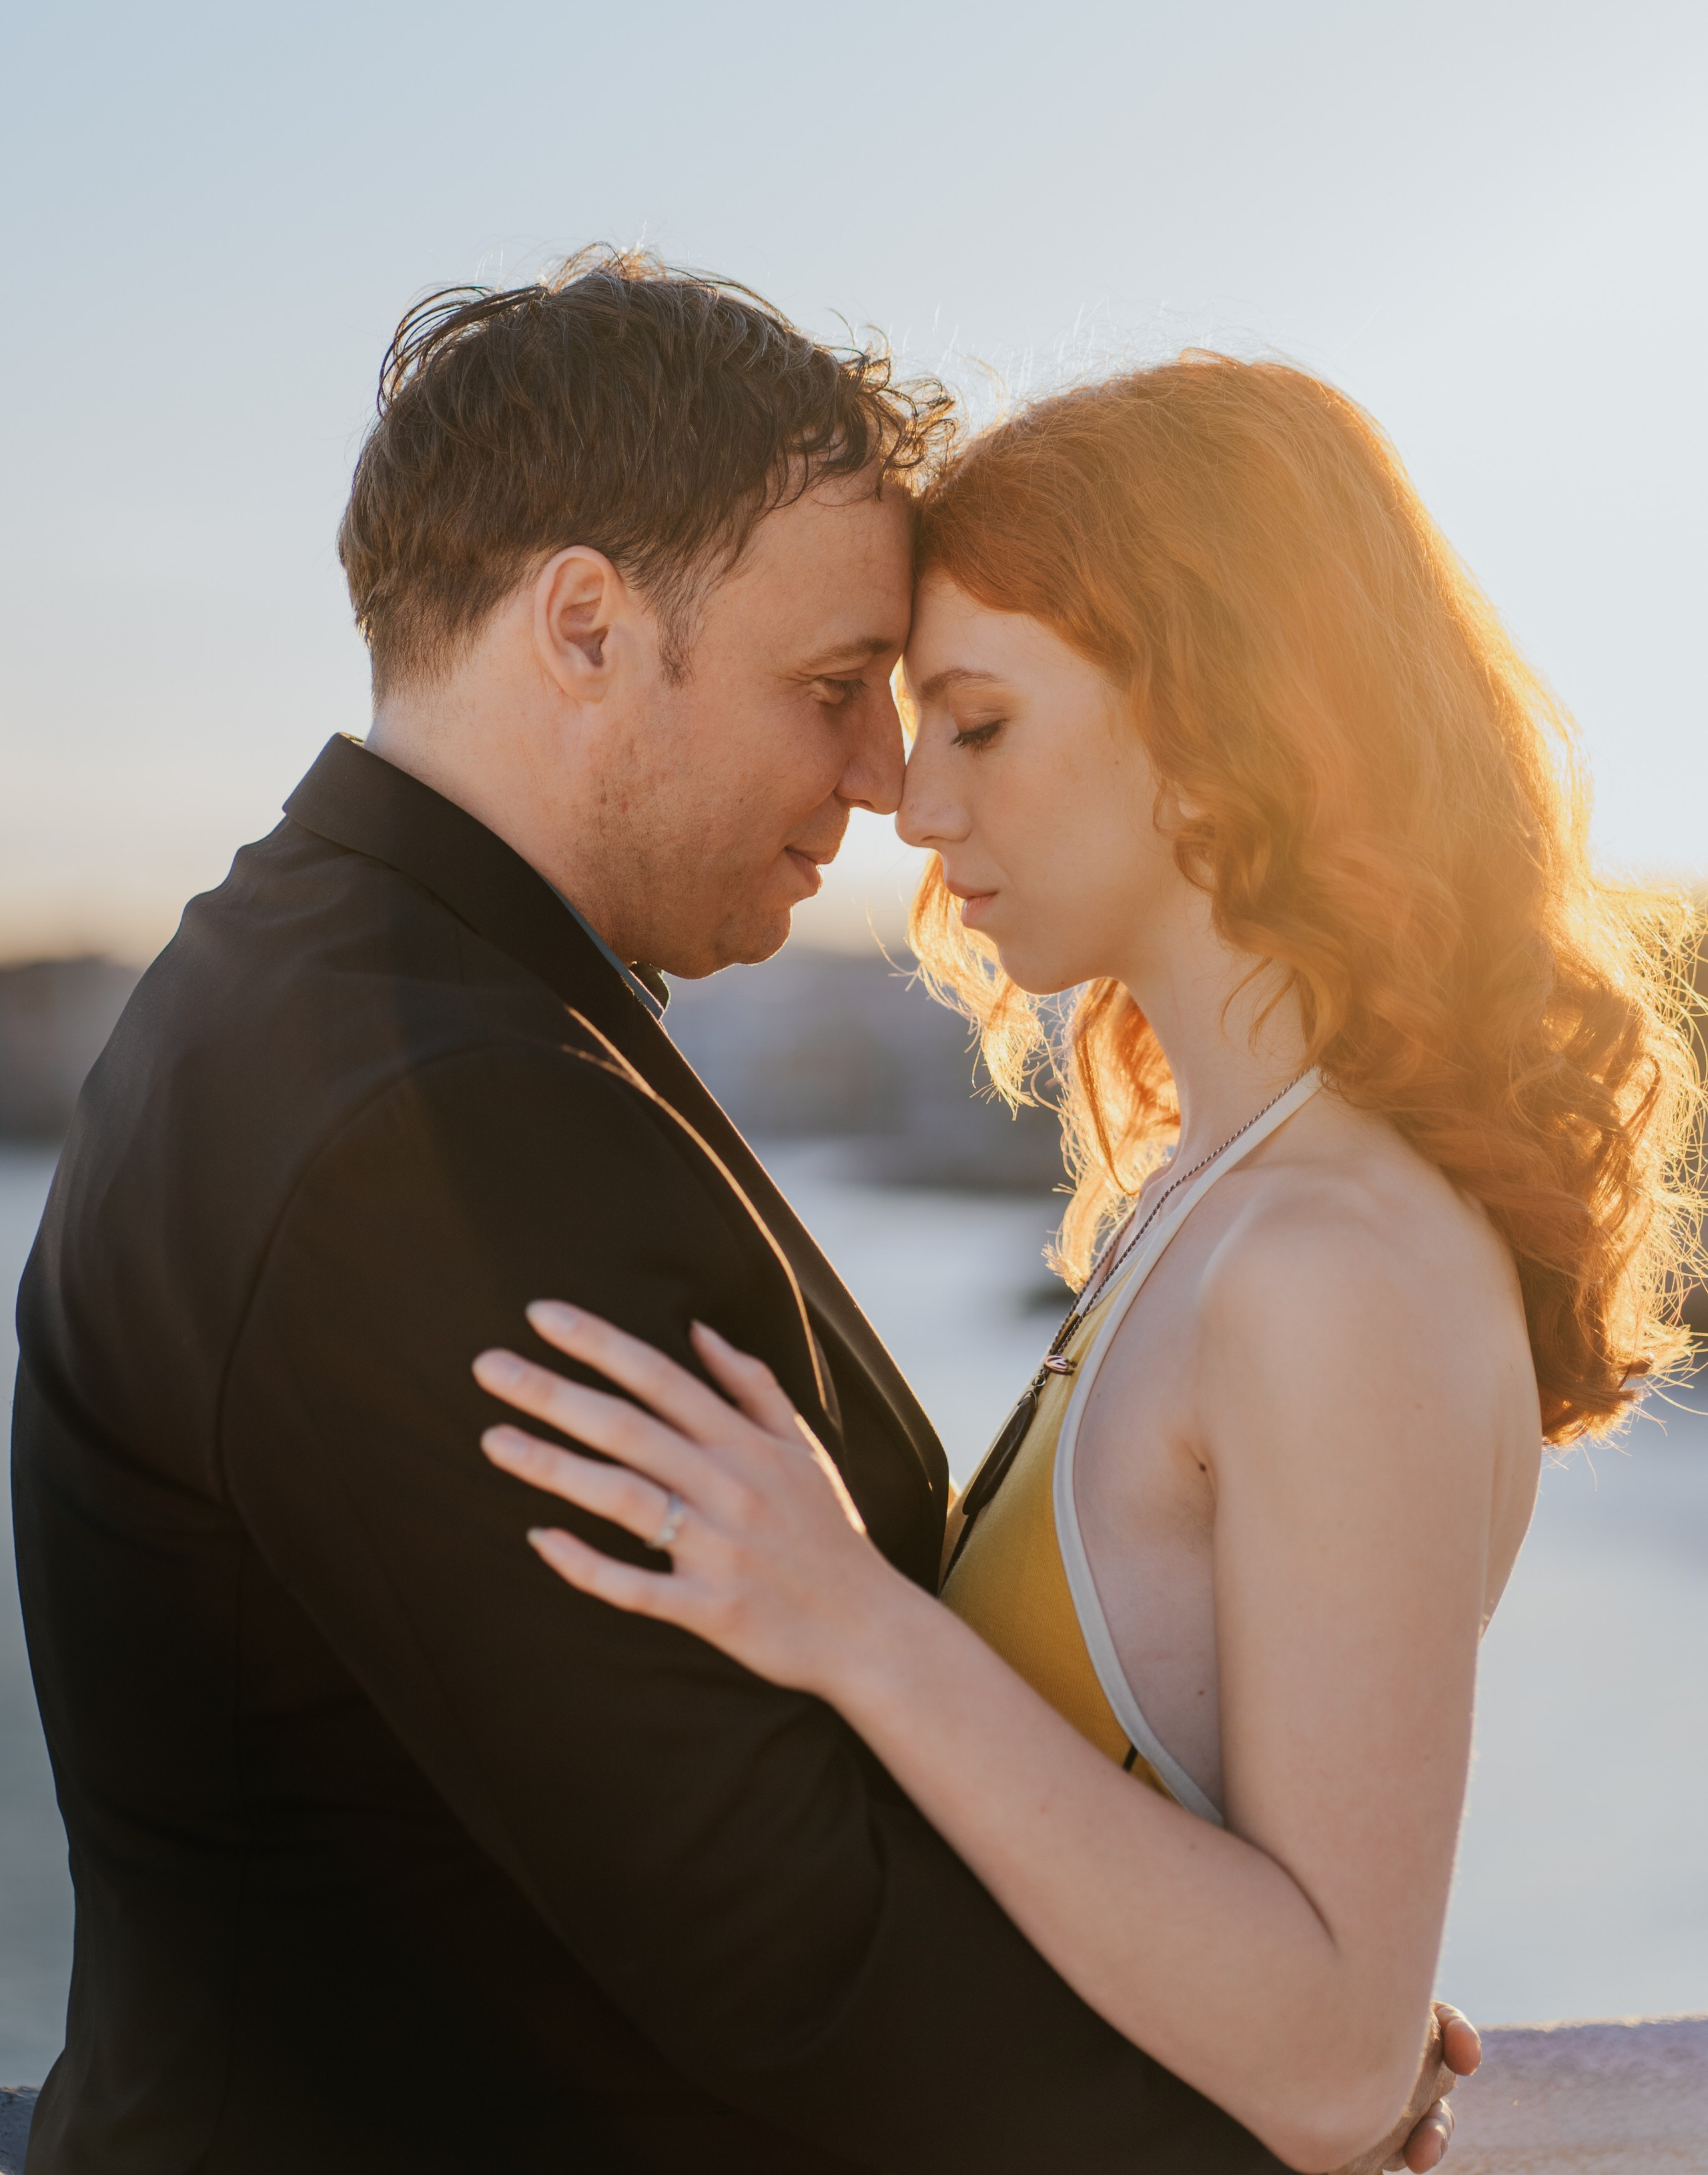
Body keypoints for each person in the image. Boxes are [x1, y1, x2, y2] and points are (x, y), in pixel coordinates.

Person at [12, 256, 1473, 2174]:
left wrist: (1244, 1992)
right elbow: (788, 1946)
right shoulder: (428, 1121)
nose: (882, 784)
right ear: (588, 629)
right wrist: (1281, 2100)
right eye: (832, 690)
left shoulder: (321, 981)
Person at [473, 352, 1702, 2168]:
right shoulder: (1219, 1195)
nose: (912, 799)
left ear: (1220, 725)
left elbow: (1335, 2067)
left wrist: (849, 1619)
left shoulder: (1322, 1268)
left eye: (980, 720)